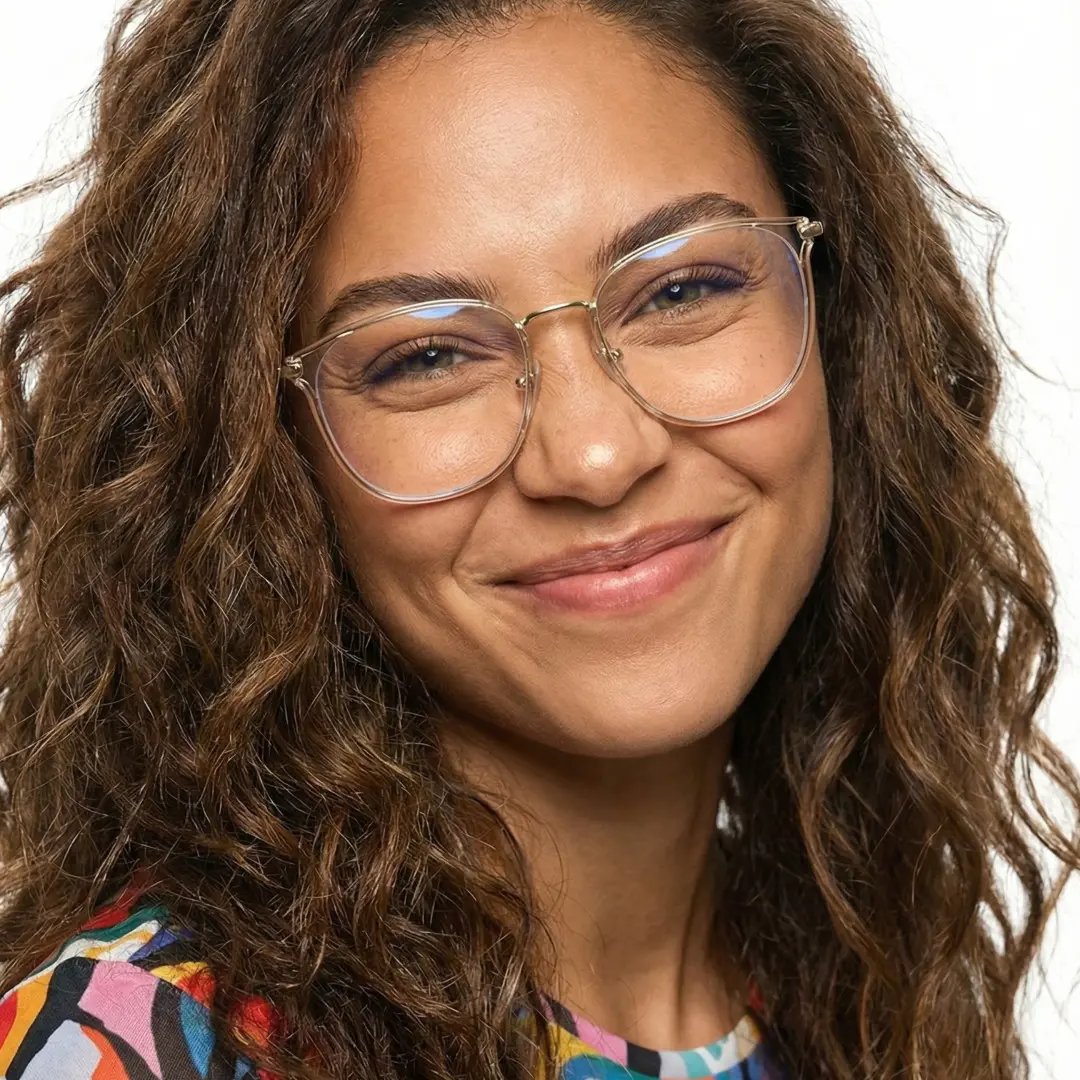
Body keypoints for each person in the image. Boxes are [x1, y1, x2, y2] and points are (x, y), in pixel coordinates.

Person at [0, 0, 1077, 1078]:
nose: (597, 455)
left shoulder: (861, 996)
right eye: (426, 358)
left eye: (682, 289)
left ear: (841, 321)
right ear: (260, 457)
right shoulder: (143, 1043)